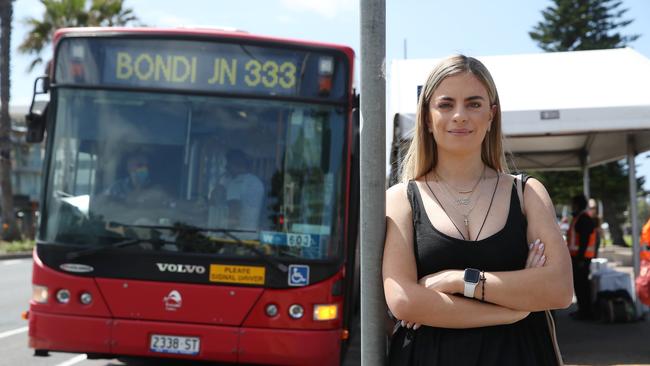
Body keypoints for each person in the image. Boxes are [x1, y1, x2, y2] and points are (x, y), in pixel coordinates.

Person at [383, 55, 573, 365]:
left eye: (473, 104)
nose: (459, 115)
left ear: (491, 116)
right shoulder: (401, 199)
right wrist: (513, 310)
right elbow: (405, 301)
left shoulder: (527, 194)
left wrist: (460, 280)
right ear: (427, 118)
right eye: (445, 104)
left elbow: (559, 289)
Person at [209, 149, 264, 232]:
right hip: (252, 234)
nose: (226, 168)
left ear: (234, 164)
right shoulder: (256, 181)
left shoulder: (237, 183)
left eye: (227, 165)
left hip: (237, 236)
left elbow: (233, 217)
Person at [567, 194, 597, 320]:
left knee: (582, 286)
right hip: (580, 257)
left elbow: (584, 240)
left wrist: (579, 259)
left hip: (582, 258)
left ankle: (586, 312)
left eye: (573, 204)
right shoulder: (580, 217)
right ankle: (583, 311)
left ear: (577, 205)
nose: (571, 206)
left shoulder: (583, 219)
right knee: (580, 285)